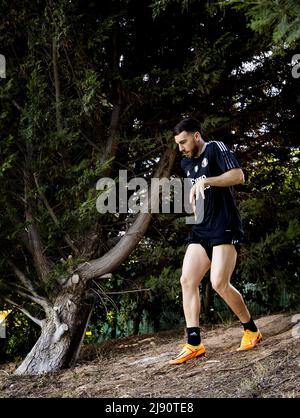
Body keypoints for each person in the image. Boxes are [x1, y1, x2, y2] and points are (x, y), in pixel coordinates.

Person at [170, 118, 262, 365]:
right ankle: (194, 343)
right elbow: (198, 190)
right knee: (187, 280)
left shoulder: (216, 148)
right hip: (201, 229)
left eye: (184, 142)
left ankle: (251, 330)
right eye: (178, 144)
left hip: (224, 225)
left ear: (197, 136)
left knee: (219, 283)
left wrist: (207, 180)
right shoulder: (186, 162)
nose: (181, 148)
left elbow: (238, 176)